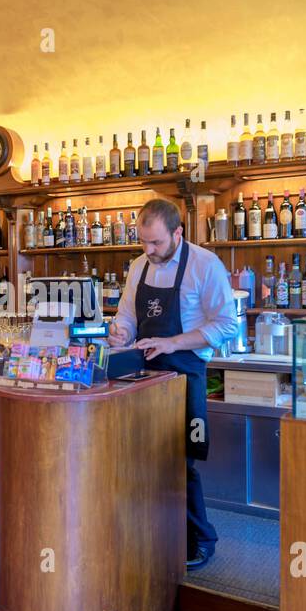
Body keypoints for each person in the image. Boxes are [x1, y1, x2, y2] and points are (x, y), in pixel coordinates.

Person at [108, 198, 239, 570]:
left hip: (185, 374)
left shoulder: (204, 265)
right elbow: (128, 316)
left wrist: (172, 342)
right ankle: (156, 538)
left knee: (181, 461)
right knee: (145, 459)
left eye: (156, 243)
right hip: (143, 374)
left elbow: (227, 324)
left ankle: (201, 540)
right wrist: (121, 333)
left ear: (177, 233)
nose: (149, 250)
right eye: (143, 243)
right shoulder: (138, 267)